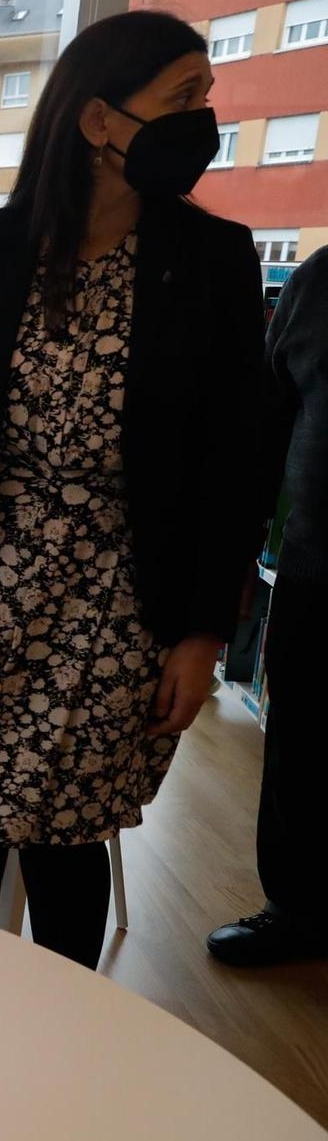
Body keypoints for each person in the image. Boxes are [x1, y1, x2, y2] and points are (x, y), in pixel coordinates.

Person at [0, 11, 267, 969]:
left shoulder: (212, 262)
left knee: (67, 834)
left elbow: (234, 463)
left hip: (118, 597)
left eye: (207, 96)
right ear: (98, 123)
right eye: (182, 98)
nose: (203, 119)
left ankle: (62, 1035)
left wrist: (205, 634)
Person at [208, 246, 328, 966]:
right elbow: (267, 426)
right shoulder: (318, 281)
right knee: (303, 745)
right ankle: (298, 911)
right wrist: (235, 554)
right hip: (319, 567)